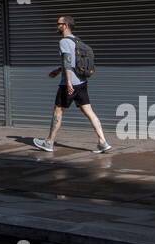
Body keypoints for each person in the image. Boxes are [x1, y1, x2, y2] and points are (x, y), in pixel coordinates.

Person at [32, 15, 111, 154]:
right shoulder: (77, 40)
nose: (57, 25)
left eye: (59, 23)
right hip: (81, 82)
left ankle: (49, 142)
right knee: (89, 112)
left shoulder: (63, 41)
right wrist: (58, 70)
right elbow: (71, 62)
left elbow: (68, 63)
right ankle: (103, 142)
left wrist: (68, 82)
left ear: (66, 25)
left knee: (58, 111)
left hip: (68, 84)